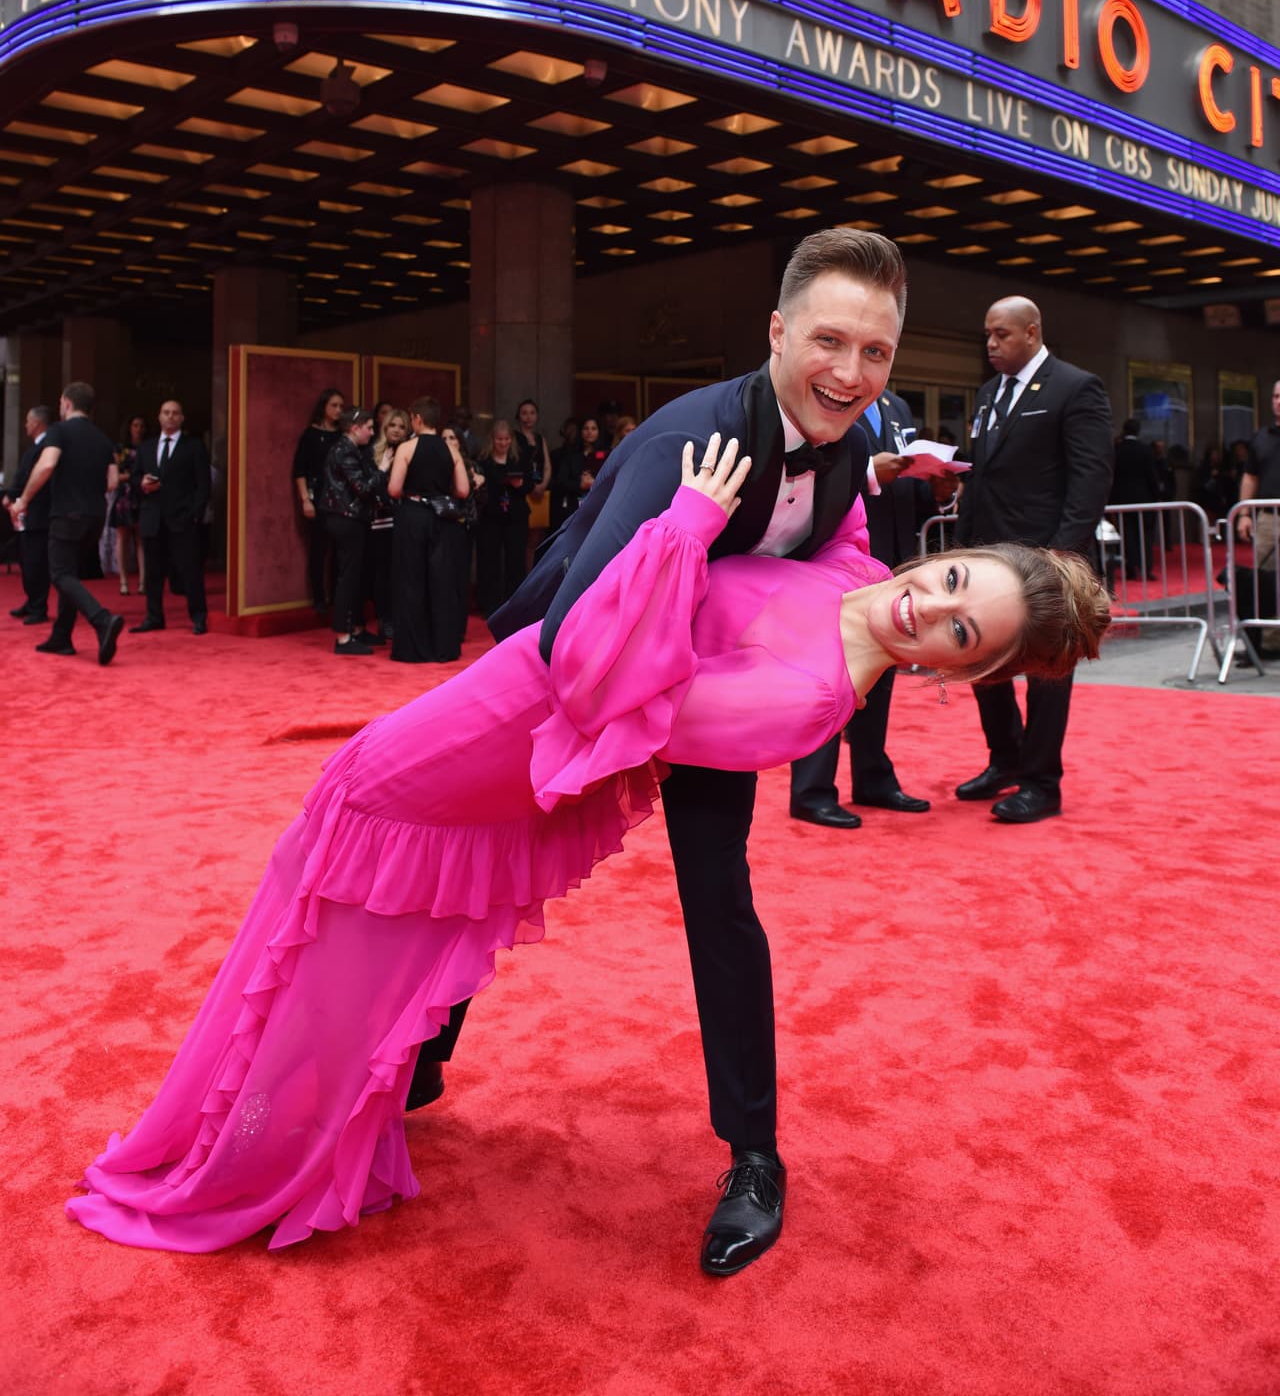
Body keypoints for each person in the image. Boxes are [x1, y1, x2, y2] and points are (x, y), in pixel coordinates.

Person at [62, 431, 1110, 1258]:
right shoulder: (860, 572)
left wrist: (684, 526)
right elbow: (825, 513)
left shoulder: (807, 702)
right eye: (956, 578)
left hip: (509, 733)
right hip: (505, 690)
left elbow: (628, 697)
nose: (926, 606)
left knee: (346, 910)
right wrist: (873, 456)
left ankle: (257, 1150)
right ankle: (300, 1119)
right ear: (954, 548)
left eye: (959, 632)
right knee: (350, 903)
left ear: (962, 676)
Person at [413, 227, 907, 1275]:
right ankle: (419, 1045)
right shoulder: (688, 437)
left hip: (700, 697)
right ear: (775, 331)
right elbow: (572, 628)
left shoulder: (852, 444)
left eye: (874, 353)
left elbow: (813, 575)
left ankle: (755, 1156)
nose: (848, 373)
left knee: (719, 900)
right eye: (827, 340)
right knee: (491, 864)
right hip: (566, 684)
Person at [953, 295, 1113, 825]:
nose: (991, 345)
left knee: (1047, 672)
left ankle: (1042, 782)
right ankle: (1005, 760)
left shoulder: (1075, 387)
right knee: (983, 661)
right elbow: (981, 474)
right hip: (989, 557)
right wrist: (962, 546)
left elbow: (1090, 480)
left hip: (1047, 557)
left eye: (1001, 335)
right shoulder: (989, 393)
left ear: (1032, 331)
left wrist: (1061, 557)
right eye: (987, 335)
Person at [790, 385, 959, 826]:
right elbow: (802, 468)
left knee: (880, 667)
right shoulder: (822, 397)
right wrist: (867, 470)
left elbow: (906, 488)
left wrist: (938, 492)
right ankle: (811, 788)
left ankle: (872, 778)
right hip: (836, 555)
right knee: (828, 670)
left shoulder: (898, 405)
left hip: (891, 557)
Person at [11, 381, 123, 666]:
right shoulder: (102, 438)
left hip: (67, 514)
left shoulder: (58, 432)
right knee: (70, 574)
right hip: (96, 517)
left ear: (67, 403)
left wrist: (23, 500)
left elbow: (47, 465)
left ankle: (101, 620)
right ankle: (61, 637)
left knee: (60, 575)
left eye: (61, 403)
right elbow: (111, 482)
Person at [387, 397, 473, 664]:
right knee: (441, 582)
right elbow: (463, 490)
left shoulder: (406, 448)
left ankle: (412, 650)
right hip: (442, 520)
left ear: (418, 419)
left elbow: (393, 489)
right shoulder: (452, 451)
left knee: (411, 581)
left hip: (413, 517)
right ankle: (443, 648)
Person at [128, 401, 212, 637]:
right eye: (166, 413)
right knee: (153, 572)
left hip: (183, 518)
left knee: (190, 570)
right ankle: (154, 617)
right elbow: (134, 479)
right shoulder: (146, 447)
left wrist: (195, 514)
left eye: (175, 413)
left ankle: (198, 617)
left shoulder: (194, 447)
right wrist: (142, 484)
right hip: (153, 518)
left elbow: (203, 484)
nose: (170, 417)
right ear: (159, 416)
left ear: (182, 418)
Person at [318, 408, 388, 655]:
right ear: (354, 428)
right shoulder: (344, 450)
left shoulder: (349, 449)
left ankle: (355, 629)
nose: (372, 432)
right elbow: (363, 488)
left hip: (350, 518)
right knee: (348, 576)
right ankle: (343, 636)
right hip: (346, 519)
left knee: (356, 575)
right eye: (368, 427)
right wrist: (383, 468)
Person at [1234, 378, 1280, 656]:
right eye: (1275, 396)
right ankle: (1272, 641)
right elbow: (1250, 477)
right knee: (1267, 580)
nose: (1279, 401)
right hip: (1268, 519)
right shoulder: (1261, 437)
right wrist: (1244, 514)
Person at [292, 387, 346, 616]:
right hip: (318, 496)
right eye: (334, 405)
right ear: (323, 407)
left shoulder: (343, 435)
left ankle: (336, 594)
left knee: (339, 550)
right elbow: (299, 470)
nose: (338, 410)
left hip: (341, 499)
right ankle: (318, 597)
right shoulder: (311, 434)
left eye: (341, 406)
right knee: (318, 549)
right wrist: (305, 500)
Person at [474, 419, 535, 617]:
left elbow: (530, 485)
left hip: (515, 516)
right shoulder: (483, 460)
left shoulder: (519, 458)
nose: (503, 443)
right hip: (491, 517)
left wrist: (519, 485)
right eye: (499, 439)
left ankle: (515, 605)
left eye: (507, 439)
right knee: (489, 561)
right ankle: (489, 605)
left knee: (516, 561)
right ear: (492, 440)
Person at [4, 403, 52, 626]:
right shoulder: (34, 446)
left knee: (36, 560)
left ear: (37, 423)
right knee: (26, 558)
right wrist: (12, 496)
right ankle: (31, 600)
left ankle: (38, 606)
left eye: (27, 421)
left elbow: (34, 477)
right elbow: (22, 475)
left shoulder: (48, 447)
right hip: (25, 509)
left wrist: (18, 497)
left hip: (39, 511)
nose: (25, 425)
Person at [368, 408, 409, 644]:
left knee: (401, 574)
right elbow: (370, 487)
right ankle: (385, 622)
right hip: (379, 524)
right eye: (392, 425)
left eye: (401, 426)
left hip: (402, 521)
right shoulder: (373, 452)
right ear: (385, 427)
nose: (396, 430)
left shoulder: (409, 452)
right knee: (382, 575)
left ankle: (399, 621)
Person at [1111, 416, 1163, 574]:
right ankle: (1146, 568)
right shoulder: (1145, 450)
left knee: (1127, 535)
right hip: (1144, 499)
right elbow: (1151, 476)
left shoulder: (1117, 449)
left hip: (1122, 500)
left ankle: (1130, 569)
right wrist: (1156, 496)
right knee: (1146, 535)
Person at [111, 415, 147, 598]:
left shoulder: (147, 447)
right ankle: (123, 581)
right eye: (135, 425)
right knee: (122, 538)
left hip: (142, 495)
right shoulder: (119, 448)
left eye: (141, 425)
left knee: (141, 538)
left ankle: (143, 581)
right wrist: (132, 476)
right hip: (124, 496)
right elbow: (116, 475)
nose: (138, 429)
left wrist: (131, 476)